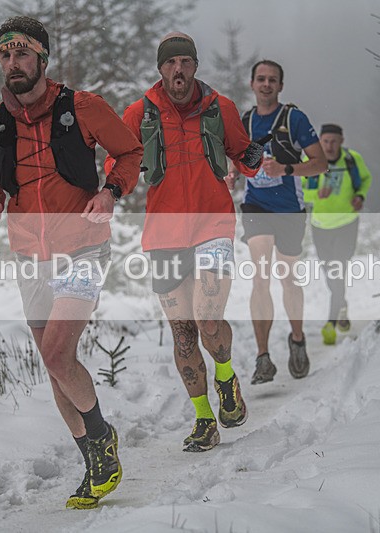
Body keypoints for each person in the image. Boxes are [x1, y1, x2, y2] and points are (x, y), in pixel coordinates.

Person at [0, 16, 142, 510]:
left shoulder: (81, 106)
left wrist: (111, 192)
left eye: (21, 54)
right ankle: (94, 462)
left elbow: (128, 152)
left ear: (42, 59)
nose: (12, 63)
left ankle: (102, 439)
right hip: (29, 255)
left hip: (83, 247)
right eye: (5, 55)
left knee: (56, 353)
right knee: (54, 365)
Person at [107, 32, 263, 452]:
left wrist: (252, 158)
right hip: (163, 233)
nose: (178, 70)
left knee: (208, 319)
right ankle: (203, 418)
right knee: (182, 334)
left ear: (195, 67)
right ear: (161, 70)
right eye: (171, 63)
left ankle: (227, 379)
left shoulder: (220, 107)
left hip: (212, 224)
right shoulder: (139, 112)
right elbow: (119, 160)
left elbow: (243, 152)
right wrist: (112, 185)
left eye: (185, 62)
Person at [230, 60, 327, 385]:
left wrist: (286, 170)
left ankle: (297, 338)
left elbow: (320, 163)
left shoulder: (293, 118)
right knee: (260, 276)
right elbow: (235, 160)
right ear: (252, 84)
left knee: (287, 279)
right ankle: (263, 357)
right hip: (256, 206)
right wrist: (231, 174)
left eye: (272, 80)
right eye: (261, 79)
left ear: (281, 86)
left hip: (289, 209)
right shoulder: (243, 121)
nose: (266, 84)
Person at [302, 123, 372, 345]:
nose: (330, 146)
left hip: (347, 223)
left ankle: (331, 323)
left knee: (338, 269)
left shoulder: (352, 160)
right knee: (331, 272)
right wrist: (315, 194)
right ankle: (341, 306)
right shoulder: (311, 163)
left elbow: (366, 180)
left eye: (334, 141)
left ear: (341, 141)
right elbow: (300, 191)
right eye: (325, 141)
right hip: (320, 225)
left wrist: (360, 196)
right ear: (319, 142)